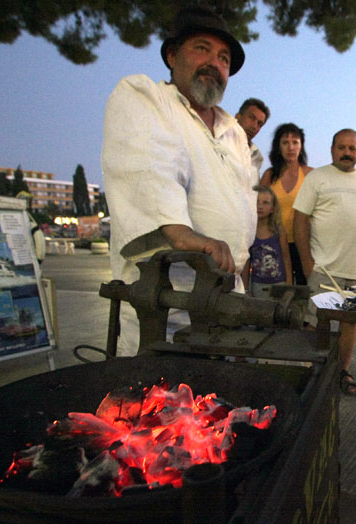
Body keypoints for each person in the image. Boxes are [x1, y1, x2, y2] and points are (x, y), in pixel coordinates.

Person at [102, 7, 256, 356]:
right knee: (164, 402)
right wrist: (189, 238)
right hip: (166, 307)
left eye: (223, 58)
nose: (214, 63)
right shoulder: (146, 98)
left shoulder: (233, 132)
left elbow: (243, 207)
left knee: (222, 402)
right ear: (172, 55)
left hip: (225, 301)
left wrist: (240, 268)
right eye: (202, 49)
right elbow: (152, 170)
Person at [293, 129, 356, 396]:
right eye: (341, 147)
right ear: (332, 150)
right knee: (314, 321)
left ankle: (342, 371)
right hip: (323, 269)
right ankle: (311, 372)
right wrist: (308, 263)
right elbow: (300, 220)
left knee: (349, 324)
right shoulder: (317, 178)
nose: (347, 153)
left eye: (352, 148)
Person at [261, 123, 314, 286]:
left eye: (295, 142)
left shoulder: (310, 174)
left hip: (304, 244)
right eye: (285, 143)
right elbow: (257, 209)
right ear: (278, 147)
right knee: (277, 290)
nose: (290, 147)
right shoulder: (270, 175)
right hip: (275, 243)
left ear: (301, 146)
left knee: (305, 289)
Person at [242, 185, 292, 298]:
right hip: (257, 284)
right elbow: (246, 261)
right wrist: (245, 289)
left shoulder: (279, 230)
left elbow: (286, 258)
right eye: (257, 202)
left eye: (265, 203)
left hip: (279, 284)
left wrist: (289, 286)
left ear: (272, 208)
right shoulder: (249, 231)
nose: (260, 206)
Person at [235, 98, 270, 184]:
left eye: (259, 124)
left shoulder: (257, 157)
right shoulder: (219, 141)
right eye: (251, 118)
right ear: (238, 116)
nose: (254, 126)